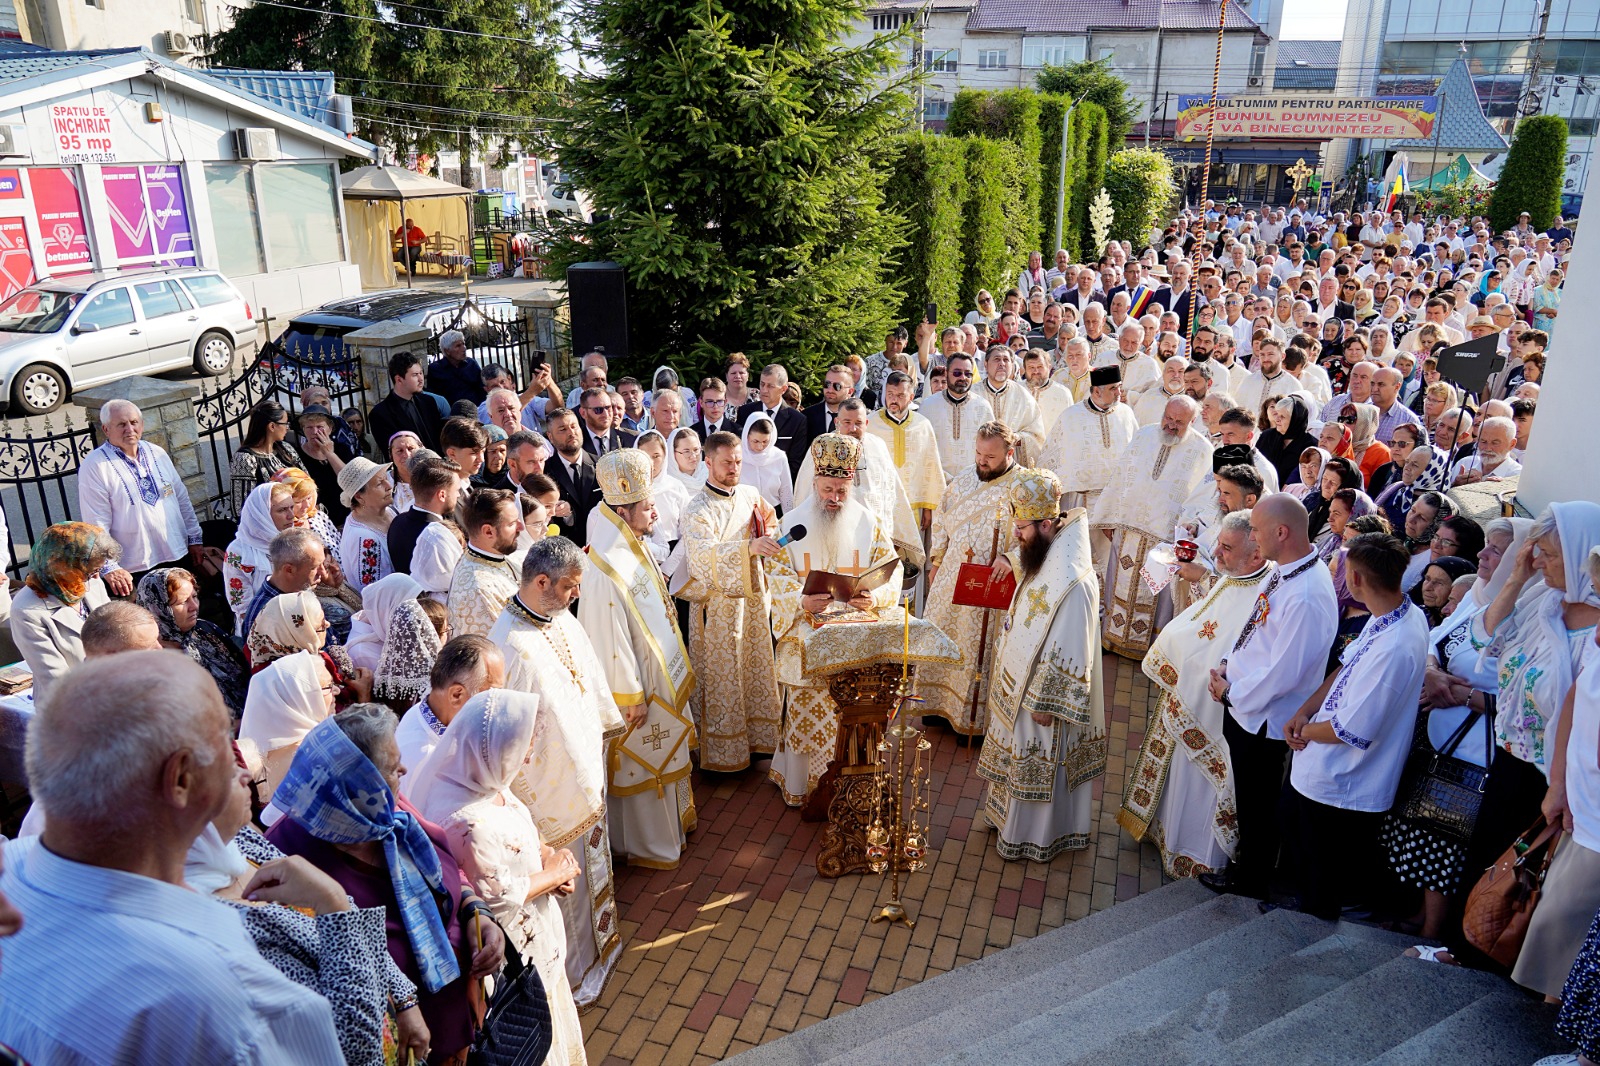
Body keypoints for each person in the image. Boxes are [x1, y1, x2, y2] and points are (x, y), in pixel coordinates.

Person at [0, 653, 345, 1063]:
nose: (244, 768)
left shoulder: (11, 870)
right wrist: (336, 907)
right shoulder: (233, 999)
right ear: (181, 778)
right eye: (223, 739)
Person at [267, 708, 505, 1064]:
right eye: (393, 768)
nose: (404, 773)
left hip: (457, 1013)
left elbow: (450, 871)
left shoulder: (388, 810)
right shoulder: (288, 857)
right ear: (356, 786)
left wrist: (477, 912)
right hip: (399, 1044)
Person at [190, 741, 419, 1066]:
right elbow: (353, 1047)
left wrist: (405, 999)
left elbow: (353, 914)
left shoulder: (239, 841)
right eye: (229, 771)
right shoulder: (213, 920)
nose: (246, 774)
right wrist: (332, 902)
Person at [407, 690, 587, 1066]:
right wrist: (552, 875)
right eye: (523, 746)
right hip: (508, 962)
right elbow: (496, 895)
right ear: (492, 746)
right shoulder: (463, 819)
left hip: (539, 941)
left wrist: (554, 858)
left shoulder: (490, 781)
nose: (528, 756)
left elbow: (528, 837)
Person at [1454, 503, 1600, 965]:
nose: (1541, 562)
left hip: (1553, 775)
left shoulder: (1594, 630)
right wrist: (1517, 575)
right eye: (1538, 552)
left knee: (1528, 876)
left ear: (1582, 557)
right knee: (1490, 858)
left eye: (1551, 555)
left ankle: (1497, 960)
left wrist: (1561, 783)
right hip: (1511, 754)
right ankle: (1466, 950)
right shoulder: (1543, 599)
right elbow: (1483, 634)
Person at [489, 537, 625, 1008]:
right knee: (566, 882)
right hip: (549, 791)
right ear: (541, 582)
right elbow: (503, 740)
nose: (576, 595)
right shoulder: (507, 645)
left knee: (594, 869)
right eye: (569, 586)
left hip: (584, 770)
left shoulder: (559, 616)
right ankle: (576, 975)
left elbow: (587, 675)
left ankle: (603, 952)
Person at [1380, 518, 1526, 943]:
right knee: (1421, 832)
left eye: (1496, 550)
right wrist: (1432, 674)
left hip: (1475, 755)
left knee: (1446, 842)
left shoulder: (1525, 620)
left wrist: (1463, 697)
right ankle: (1418, 915)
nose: (1482, 554)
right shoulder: (1480, 602)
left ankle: (1433, 931)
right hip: (1440, 742)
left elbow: (1525, 702)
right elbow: (1435, 641)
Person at [1201, 494, 1339, 900]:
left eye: (1258, 532)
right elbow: (1254, 625)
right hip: (1245, 705)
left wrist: (1232, 692)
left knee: (1258, 806)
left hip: (1263, 719)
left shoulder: (1308, 594)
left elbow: (1285, 673)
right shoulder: (1284, 571)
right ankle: (1248, 870)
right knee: (1249, 799)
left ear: (1282, 532)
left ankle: (1251, 881)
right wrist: (1228, 663)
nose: (1254, 540)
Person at [1283, 532, 1427, 920]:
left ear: (1358, 579)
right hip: (1321, 771)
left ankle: (1305, 947)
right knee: (1304, 867)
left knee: (1320, 882)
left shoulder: (1396, 645)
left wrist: (1302, 731)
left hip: (1342, 784)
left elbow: (1350, 731)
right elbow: (1346, 666)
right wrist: (1305, 709)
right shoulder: (1393, 613)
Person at [1122, 510, 1268, 877]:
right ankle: (1167, 837)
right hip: (1189, 694)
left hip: (1213, 709)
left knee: (1201, 784)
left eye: (1226, 547)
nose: (1216, 553)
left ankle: (1196, 855)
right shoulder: (1236, 576)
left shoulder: (1262, 595)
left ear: (1256, 554)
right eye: (1218, 543)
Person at [765, 434, 903, 805]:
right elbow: (773, 572)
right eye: (828, 489)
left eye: (842, 490)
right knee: (806, 699)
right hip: (807, 627)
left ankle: (852, 778)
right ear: (814, 483)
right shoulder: (790, 523)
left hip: (855, 627)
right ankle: (802, 784)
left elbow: (891, 570)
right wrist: (799, 600)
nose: (834, 498)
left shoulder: (867, 522)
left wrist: (876, 596)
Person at [977, 468, 1106, 861]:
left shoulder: (1074, 579)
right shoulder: (1050, 548)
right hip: (1020, 680)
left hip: (1041, 697)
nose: (1016, 536)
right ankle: (1007, 821)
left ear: (1047, 523)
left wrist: (1047, 701)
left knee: (1041, 759)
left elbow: (1070, 641)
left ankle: (1037, 837)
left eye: (1021, 528)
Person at [578, 449, 698, 868]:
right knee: (646, 767)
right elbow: (608, 640)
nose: (656, 516)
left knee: (666, 755)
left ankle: (676, 827)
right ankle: (648, 844)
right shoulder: (604, 566)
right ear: (625, 510)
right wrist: (630, 698)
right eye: (649, 508)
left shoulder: (634, 544)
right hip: (639, 690)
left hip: (660, 677)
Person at [673, 430, 785, 773]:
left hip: (752, 603)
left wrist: (769, 538)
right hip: (718, 609)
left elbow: (771, 526)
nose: (734, 468)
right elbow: (701, 559)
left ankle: (756, 742)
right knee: (724, 677)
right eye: (727, 462)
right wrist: (748, 548)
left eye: (738, 462)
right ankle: (722, 752)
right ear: (708, 462)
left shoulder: (751, 494)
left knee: (753, 669)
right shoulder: (697, 509)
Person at [920, 422, 1029, 738]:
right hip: (951, 578)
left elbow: (1038, 533)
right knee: (941, 638)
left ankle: (971, 719)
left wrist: (1011, 559)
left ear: (1009, 453)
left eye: (990, 457)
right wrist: (937, 559)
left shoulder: (1024, 487)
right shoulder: (965, 478)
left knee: (976, 648)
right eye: (979, 453)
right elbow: (941, 519)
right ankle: (935, 707)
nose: (982, 461)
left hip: (991, 585)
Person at [1091, 396, 1213, 657]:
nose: (1170, 425)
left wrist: (1187, 531)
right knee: (1119, 583)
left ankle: (1149, 649)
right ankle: (1112, 639)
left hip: (1165, 538)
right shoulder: (1144, 434)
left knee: (1156, 593)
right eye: (1168, 417)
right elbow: (1121, 475)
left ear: (1193, 421)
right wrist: (1111, 515)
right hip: (1128, 529)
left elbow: (1201, 497)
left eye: (1179, 422)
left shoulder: (1202, 450)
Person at [78, 399, 206, 587]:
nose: (129, 429)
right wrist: (110, 567)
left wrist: (194, 538)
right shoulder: (95, 466)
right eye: (121, 424)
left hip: (177, 552)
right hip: (134, 567)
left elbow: (181, 498)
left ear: (142, 424)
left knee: (184, 609)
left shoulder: (157, 453)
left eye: (134, 422)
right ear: (106, 429)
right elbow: (96, 522)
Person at [793, 399, 923, 571]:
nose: (853, 429)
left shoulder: (878, 447)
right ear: (837, 422)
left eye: (858, 423)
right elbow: (804, 494)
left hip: (871, 536)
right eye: (847, 422)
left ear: (867, 423)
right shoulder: (822, 447)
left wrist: (889, 534)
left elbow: (891, 493)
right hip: (832, 534)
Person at [8, 522, 115, 709]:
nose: (96, 578)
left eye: (98, 570)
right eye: (89, 572)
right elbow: (55, 679)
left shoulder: (91, 583)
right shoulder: (26, 610)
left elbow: (114, 627)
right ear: (62, 566)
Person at [136, 566, 249, 723]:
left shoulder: (205, 630)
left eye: (194, 597)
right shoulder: (151, 657)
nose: (194, 606)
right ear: (158, 607)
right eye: (182, 602)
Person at [395, 634, 506, 775]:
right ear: (456, 695)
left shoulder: (429, 710)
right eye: (492, 694)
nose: (497, 703)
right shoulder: (426, 758)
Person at [241, 650, 339, 796]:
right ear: (297, 697)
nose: (336, 690)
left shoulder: (252, 747)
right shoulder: (313, 754)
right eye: (328, 686)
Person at [444, 487, 524, 638]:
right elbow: (501, 646)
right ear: (488, 531)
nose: (521, 527)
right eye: (512, 523)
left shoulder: (491, 555)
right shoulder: (476, 590)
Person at [866, 370, 946, 521]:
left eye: (900, 395)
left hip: (914, 504)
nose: (894, 400)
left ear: (911, 397)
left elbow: (930, 466)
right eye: (890, 394)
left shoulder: (922, 425)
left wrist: (929, 508)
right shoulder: (870, 424)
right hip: (879, 504)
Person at [224, 482, 296, 634]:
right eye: (282, 510)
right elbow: (242, 607)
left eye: (292, 507)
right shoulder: (238, 552)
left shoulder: (293, 539)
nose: (291, 515)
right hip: (261, 631)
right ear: (261, 514)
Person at [388, 457, 464, 599]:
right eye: (457, 490)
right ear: (442, 495)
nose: (458, 495)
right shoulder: (437, 537)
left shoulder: (397, 522)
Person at [239, 527, 326, 644]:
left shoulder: (299, 593)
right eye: (314, 568)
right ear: (289, 570)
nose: (323, 573)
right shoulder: (265, 617)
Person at [918, 352, 996, 480]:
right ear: (947, 373)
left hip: (974, 480)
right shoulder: (928, 406)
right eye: (957, 373)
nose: (963, 377)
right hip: (936, 479)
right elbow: (921, 448)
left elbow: (990, 447)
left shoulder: (982, 407)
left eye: (968, 374)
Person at [735, 364, 810, 476]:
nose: (764, 390)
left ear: (783, 389)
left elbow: (795, 461)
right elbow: (739, 450)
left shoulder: (797, 420)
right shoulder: (745, 412)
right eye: (762, 384)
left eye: (770, 386)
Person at [231, 400, 304, 514]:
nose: (287, 428)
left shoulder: (286, 448)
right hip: (269, 526)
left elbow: (307, 481)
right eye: (285, 423)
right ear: (272, 426)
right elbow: (241, 507)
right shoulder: (245, 458)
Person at [542, 409, 602, 548]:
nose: (571, 432)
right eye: (562, 429)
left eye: (574, 426)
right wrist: (568, 514)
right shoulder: (545, 472)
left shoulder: (602, 465)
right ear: (550, 437)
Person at [345, 573, 426, 674]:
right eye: (407, 613)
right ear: (389, 608)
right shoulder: (362, 652)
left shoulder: (379, 620)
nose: (411, 620)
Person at [336, 457, 396, 592]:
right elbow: (376, 592)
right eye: (380, 483)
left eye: (386, 479)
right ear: (359, 496)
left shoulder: (389, 511)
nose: (389, 486)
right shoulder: (365, 540)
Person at [369, 352, 446, 455]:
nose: (421, 379)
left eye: (421, 373)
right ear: (399, 379)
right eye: (415, 375)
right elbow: (393, 454)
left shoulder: (428, 401)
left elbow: (439, 439)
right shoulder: (380, 414)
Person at [295, 404, 354, 527]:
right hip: (317, 522)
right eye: (309, 427)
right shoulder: (296, 456)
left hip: (346, 518)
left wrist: (329, 454)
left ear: (330, 428)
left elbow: (350, 481)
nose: (315, 432)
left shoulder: (342, 450)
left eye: (320, 427)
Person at [1256, 396, 1318, 489]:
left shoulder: (1310, 445)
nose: (1277, 419)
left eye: (1282, 417)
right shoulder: (1267, 436)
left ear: (1295, 419)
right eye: (1277, 414)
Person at [739, 414, 794, 515]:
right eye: (755, 441)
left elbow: (786, 491)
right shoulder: (737, 456)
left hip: (773, 513)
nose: (760, 446)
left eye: (765, 441)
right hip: (743, 514)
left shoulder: (779, 456)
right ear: (747, 436)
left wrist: (789, 518)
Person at [424, 329, 486, 410]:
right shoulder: (435, 370)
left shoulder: (471, 364)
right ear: (447, 351)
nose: (463, 348)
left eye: (463, 344)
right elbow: (434, 398)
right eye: (458, 346)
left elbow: (482, 389)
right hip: (452, 415)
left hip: (477, 410)